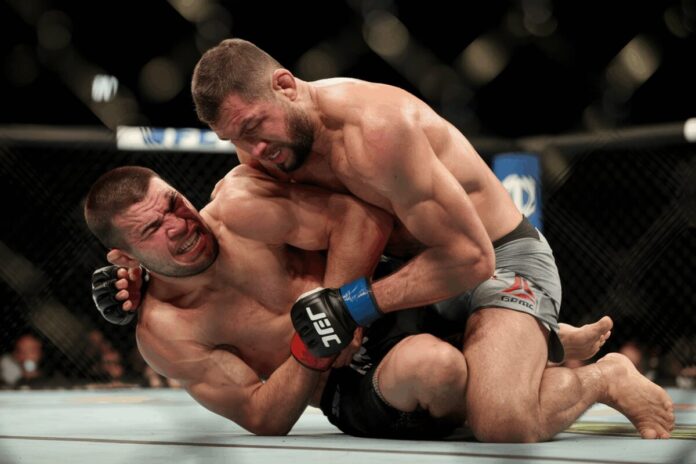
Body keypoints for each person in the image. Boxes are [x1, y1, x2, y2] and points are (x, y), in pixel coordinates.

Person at [184, 38, 673, 441]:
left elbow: (471, 258)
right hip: (407, 281)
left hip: (495, 260)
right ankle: (541, 345)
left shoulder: (377, 132)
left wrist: (351, 304)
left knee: (502, 423)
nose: (253, 150)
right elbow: (264, 228)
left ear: (286, 85)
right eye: (236, 139)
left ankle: (603, 377)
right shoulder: (266, 152)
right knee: (436, 383)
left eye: (255, 126)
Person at [86, 165, 671, 440]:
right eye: (152, 228)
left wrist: (343, 307)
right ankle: (597, 376)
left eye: (172, 202)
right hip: (350, 384)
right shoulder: (166, 331)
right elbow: (262, 416)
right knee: (438, 370)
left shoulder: (241, 209)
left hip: (380, 299)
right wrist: (315, 348)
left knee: (442, 272)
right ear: (123, 255)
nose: (178, 223)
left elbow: (358, 217)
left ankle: (536, 342)